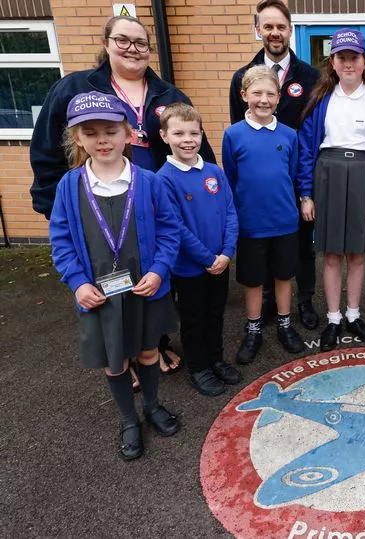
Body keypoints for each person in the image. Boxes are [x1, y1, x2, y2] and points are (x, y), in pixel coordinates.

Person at [31, 15, 217, 379]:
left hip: (152, 206)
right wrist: (58, 208)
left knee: (151, 279)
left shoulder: (168, 94)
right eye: (123, 40)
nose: (133, 48)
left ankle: (154, 346)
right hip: (97, 204)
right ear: (106, 44)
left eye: (141, 42)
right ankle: (123, 358)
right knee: (107, 286)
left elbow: (200, 153)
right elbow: (46, 153)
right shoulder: (75, 87)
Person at [49, 92, 181, 460]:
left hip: (144, 286)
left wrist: (158, 271)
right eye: (90, 133)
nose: (102, 140)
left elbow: (170, 231)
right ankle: (128, 419)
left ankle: (152, 405)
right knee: (115, 360)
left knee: (149, 349)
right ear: (77, 138)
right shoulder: (68, 187)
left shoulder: (150, 182)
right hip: (100, 294)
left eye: (110, 131)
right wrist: (77, 283)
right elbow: (61, 242)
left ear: (128, 134)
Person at [298, 28, 365, 352]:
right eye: (342, 57)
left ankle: (353, 314)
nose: (349, 63)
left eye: (354, 57)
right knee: (331, 255)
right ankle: (334, 318)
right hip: (328, 174)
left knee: (356, 254)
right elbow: (307, 151)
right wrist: (306, 193)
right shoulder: (321, 100)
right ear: (333, 62)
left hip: (364, 176)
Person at [229, 0, 321, 331]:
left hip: (297, 173)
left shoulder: (311, 76)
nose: (274, 32)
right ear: (258, 30)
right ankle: (267, 301)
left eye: (281, 26)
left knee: (301, 247)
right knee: (262, 248)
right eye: (267, 26)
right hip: (258, 186)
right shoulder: (242, 76)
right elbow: (236, 136)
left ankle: (305, 301)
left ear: (290, 31)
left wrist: (306, 189)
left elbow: (314, 131)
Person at [157, 103, 241, 397]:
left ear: (202, 134)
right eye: (178, 133)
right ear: (164, 136)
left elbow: (230, 212)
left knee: (215, 314)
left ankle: (216, 359)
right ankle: (199, 367)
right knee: (193, 318)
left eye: (194, 132)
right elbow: (175, 227)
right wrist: (208, 258)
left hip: (221, 261)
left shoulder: (215, 172)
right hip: (191, 267)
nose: (188, 139)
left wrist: (227, 253)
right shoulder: (163, 179)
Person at [224, 65, 305, 363]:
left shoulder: (289, 135)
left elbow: (293, 174)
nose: (264, 99)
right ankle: (254, 329)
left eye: (270, 93)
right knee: (254, 280)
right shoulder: (233, 135)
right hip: (250, 225)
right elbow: (231, 180)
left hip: (284, 221)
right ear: (244, 95)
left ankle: (285, 324)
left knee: (284, 276)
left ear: (279, 97)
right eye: (257, 93)